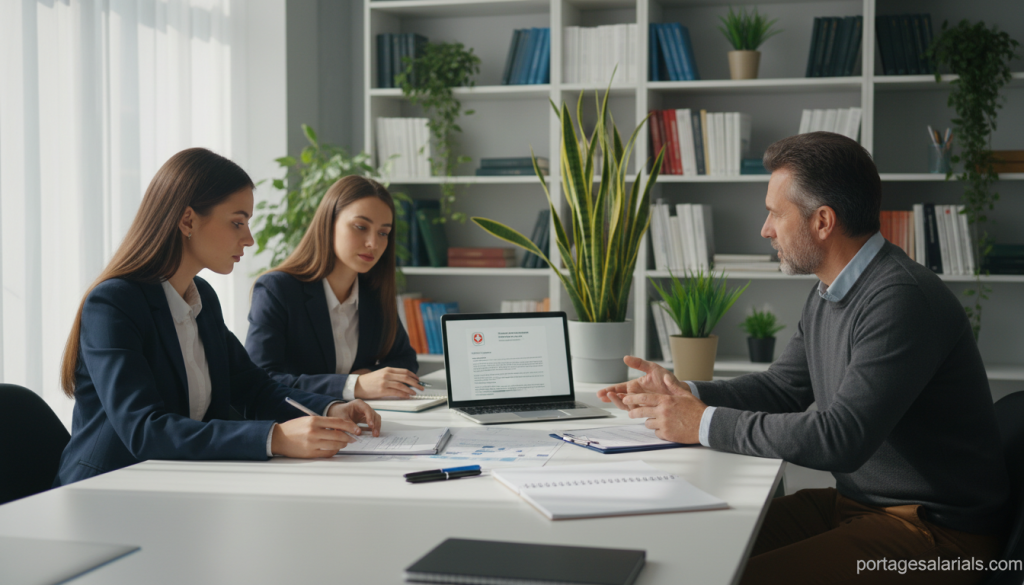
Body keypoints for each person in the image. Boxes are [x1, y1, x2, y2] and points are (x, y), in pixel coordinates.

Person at [598, 132, 1009, 584]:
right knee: (689, 548)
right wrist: (683, 393)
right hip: (855, 507)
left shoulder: (900, 300)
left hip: (938, 538)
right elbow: (782, 388)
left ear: (823, 221)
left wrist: (702, 422)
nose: (765, 228)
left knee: (726, 577)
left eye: (775, 213)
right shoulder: (831, 291)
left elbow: (842, 437)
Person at [55, 148, 381, 486]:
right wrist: (276, 438)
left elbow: (252, 387)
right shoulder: (113, 304)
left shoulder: (202, 297)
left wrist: (330, 409)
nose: (249, 238)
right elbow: (144, 430)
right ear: (187, 220)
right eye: (237, 222)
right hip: (107, 491)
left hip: (181, 483)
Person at [245, 175, 420, 401]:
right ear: (329, 223)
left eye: (383, 232)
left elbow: (406, 359)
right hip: (297, 423)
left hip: (361, 420)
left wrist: (368, 377)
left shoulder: (373, 293)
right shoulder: (277, 290)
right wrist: (352, 385)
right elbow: (260, 379)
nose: (373, 244)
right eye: (360, 227)